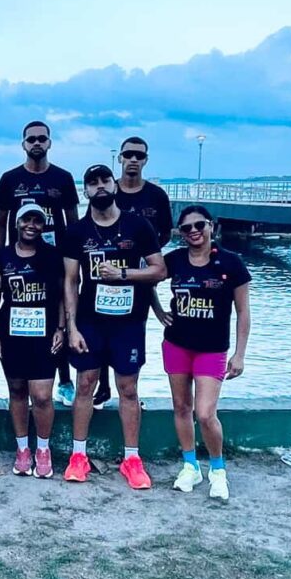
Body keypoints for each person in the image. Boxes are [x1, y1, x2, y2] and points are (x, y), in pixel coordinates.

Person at [62, 165, 166, 489]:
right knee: (84, 385)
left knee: (128, 388)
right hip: (90, 322)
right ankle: (78, 456)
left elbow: (159, 270)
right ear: (85, 191)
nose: (100, 186)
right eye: (92, 183)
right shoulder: (77, 232)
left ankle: (132, 459)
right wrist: (71, 327)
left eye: (105, 180)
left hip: (129, 322)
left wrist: (123, 275)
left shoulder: (138, 226)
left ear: (114, 185)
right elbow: (70, 281)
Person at [158, 206, 251, 501]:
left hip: (212, 350)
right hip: (176, 344)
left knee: (205, 413)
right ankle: (190, 466)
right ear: (180, 233)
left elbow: (243, 311)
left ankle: (218, 470)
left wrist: (240, 354)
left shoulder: (231, 263)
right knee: (181, 407)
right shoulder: (174, 260)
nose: (194, 231)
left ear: (211, 226)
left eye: (199, 225)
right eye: (187, 228)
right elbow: (148, 278)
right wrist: (157, 310)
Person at [0, 120, 79, 406]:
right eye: (32, 139)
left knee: (60, 315)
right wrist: (1, 258)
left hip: (56, 258)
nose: (37, 143)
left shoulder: (63, 178)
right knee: (22, 315)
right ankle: (22, 380)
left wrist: (73, 259)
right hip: (19, 258)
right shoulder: (10, 179)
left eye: (42, 138)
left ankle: (64, 380)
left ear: (49, 143)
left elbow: (73, 221)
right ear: (24, 144)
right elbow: (1, 221)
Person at [93, 136, 174, 409]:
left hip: (140, 270)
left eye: (139, 156)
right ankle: (103, 386)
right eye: (128, 155)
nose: (133, 160)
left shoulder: (156, 195)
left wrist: (148, 254)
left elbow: (166, 232)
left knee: (134, 331)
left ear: (145, 160)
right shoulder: (108, 190)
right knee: (101, 328)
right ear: (120, 158)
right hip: (105, 272)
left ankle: (130, 391)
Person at [0, 206, 65, 479]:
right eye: (26, 219)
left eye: (37, 221)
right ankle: (22, 449)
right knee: (17, 391)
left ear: (43, 225)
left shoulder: (52, 255)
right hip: (11, 334)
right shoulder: (3, 256)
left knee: (42, 395)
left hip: (45, 334)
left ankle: (43, 449)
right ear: (17, 223)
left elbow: (62, 294)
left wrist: (61, 328)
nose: (31, 225)